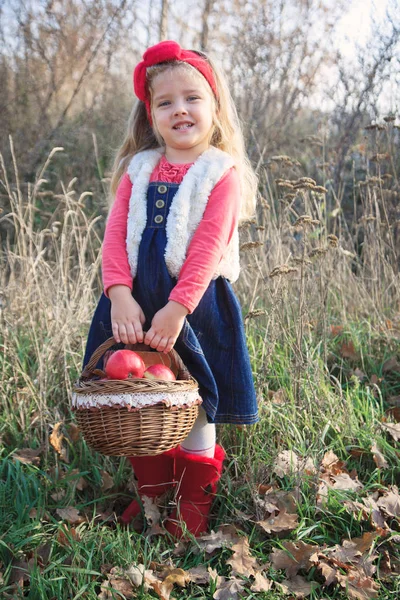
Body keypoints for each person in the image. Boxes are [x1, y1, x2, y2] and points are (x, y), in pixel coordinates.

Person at [83, 40, 259, 538]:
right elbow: (114, 237)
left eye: (192, 97)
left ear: (214, 105)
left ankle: (193, 511)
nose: (179, 109)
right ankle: (154, 501)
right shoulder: (137, 170)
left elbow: (206, 248)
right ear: (150, 114)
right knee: (140, 400)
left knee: (195, 402)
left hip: (195, 306)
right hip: (135, 305)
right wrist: (119, 293)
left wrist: (179, 308)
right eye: (165, 102)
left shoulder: (219, 173)